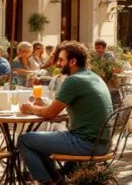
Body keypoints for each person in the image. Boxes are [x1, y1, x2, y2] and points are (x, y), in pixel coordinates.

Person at [19, 42, 114, 185]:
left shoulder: (74, 80)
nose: (58, 63)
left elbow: (50, 114)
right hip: (103, 143)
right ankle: (57, 180)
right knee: (42, 141)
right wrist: (46, 107)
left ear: (73, 61)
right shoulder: (93, 76)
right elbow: (62, 108)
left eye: (61, 60)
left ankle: (48, 182)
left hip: (86, 143)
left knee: (25, 140)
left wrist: (30, 108)